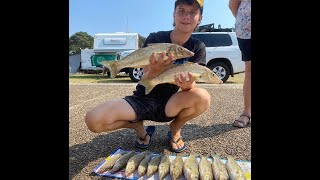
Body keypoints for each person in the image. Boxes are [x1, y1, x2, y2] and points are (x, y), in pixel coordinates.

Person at [85, 0, 209, 153]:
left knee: (203, 97)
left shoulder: (198, 47)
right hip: (143, 98)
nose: (186, 16)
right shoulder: (156, 38)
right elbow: (145, 78)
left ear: (200, 18)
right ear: (174, 14)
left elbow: (192, 87)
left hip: (170, 102)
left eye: (192, 12)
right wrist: (155, 69)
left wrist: (186, 85)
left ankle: (175, 129)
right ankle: (137, 126)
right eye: (181, 11)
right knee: (93, 120)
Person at [229, 0, 251, 128]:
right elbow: (233, 4)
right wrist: (244, 19)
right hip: (247, 31)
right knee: (250, 71)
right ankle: (247, 112)